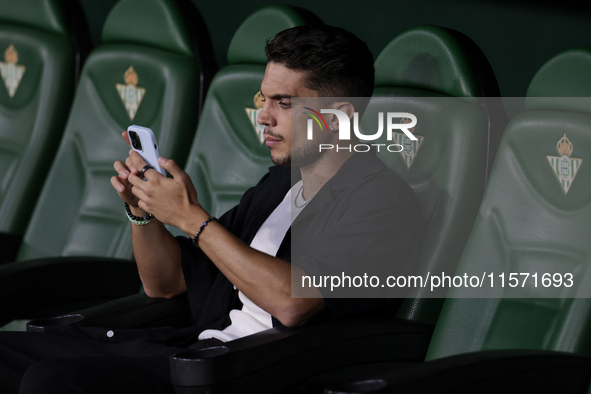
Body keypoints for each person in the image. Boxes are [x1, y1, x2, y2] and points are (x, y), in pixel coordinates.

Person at [0, 25, 422, 394]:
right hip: (191, 349)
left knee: (52, 381)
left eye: (285, 104)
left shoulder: (382, 201)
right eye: (264, 98)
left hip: (247, 372)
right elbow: (165, 285)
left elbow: (295, 303)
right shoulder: (280, 183)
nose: (264, 116)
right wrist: (143, 212)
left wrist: (191, 218)